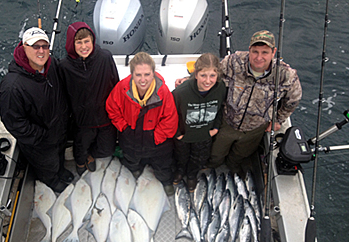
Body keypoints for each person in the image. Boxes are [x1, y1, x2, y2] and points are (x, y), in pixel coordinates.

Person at [177, 30, 302, 174]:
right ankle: (212, 168)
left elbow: (293, 99)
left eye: (264, 52)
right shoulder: (233, 61)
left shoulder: (285, 75)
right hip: (227, 122)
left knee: (240, 155)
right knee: (216, 154)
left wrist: (278, 119)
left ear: (273, 52)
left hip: (255, 129)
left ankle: (233, 166)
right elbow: (212, 74)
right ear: (249, 50)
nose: (259, 57)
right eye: (255, 52)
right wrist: (189, 81)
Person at [0, 27, 73, 193]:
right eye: (35, 46)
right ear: (24, 47)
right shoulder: (12, 87)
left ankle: (60, 171)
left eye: (44, 46)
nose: (41, 51)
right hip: (40, 144)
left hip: (59, 131)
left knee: (59, 157)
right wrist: (42, 136)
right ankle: (52, 181)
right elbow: (14, 123)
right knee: (48, 165)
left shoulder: (51, 64)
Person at [106, 52, 178, 196]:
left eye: (147, 74)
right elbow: (112, 108)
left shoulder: (163, 92)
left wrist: (155, 137)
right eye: (138, 75)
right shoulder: (122, 88)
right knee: (131, 159)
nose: (143, 79)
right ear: (132, 74)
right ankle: (135, 170)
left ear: (153, 73)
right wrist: (124, 128)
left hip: (156, 139)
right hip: (131, 134)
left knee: (163, 163)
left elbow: (170, 119)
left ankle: (165, 180)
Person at [59, 22, 119, 176]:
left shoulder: (105, 57)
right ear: (72, 44)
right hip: (82, 120)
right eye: (78, 42)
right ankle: (81, 160)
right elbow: (63, 94)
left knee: (107, 148)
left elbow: (116, 84)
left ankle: (92, 155)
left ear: (93, 41)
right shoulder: (64, 66)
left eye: (87, 41)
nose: (83, 46)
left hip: (105, 117)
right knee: (80, 147)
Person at [172, 53, 227, 191]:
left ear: (217, 76)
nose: (208, 81)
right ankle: (180, 171)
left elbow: (220, 108)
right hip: (183, 136)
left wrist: (215, 127)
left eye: (212, 76)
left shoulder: (221, 89)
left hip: (204, 135)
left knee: (199, 159)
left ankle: (191, 176)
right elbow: (171, 114)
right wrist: (178, 133)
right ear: (196, 74)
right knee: (181, 156)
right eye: (203, 75)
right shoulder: (180, 92)